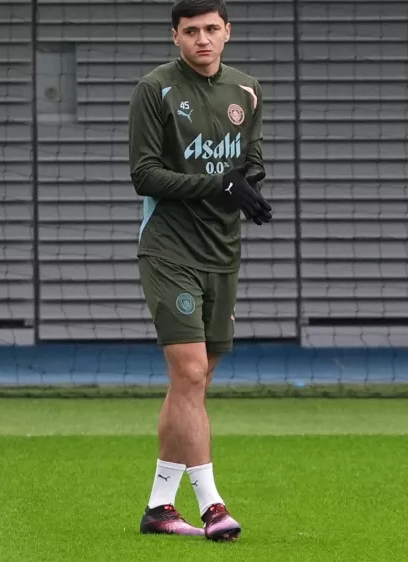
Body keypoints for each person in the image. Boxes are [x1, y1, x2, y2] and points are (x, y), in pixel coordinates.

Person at [127, 0, 270, 542]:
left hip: (221, 253)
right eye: (191, 31)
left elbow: (251, 159)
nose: (202, 39)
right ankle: (212, 506)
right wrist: (218, 185)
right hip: (168, 250)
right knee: (188, 376)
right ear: (175, 37)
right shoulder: (154, 89)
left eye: (212, 29)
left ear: (227, 32)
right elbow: (144, 174)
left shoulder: (248, 89)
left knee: (194, 383)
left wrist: (248, 185)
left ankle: (160, 506)